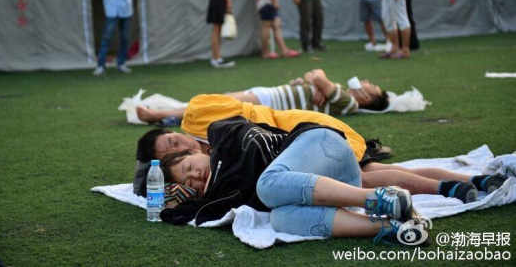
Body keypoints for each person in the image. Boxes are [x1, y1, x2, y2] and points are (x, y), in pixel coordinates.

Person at [160, 117, 507, 241]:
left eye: (189, 165)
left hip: (320, 144)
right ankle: (391, 226)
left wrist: (210, 177)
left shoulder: (223, 133)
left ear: (197, 148)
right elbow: (176, 213)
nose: (194, 176)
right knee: (279, 217)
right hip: (338, 182)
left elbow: (251, 142)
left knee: (267, 185)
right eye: (188, 182)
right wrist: (178, 195)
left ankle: (379, 200)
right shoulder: (218, 196)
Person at [134, 95, 507, 203]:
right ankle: (468, 180)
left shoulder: (205, 120)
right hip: (298, 144)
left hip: (300, 133)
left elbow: (246, 99)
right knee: (367, 175)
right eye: (169, 150)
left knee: (366, 175)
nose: (180, 143)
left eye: (172, 141)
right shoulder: (209, 159)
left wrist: (162, 112)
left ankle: (467, 181)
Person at [135, 68, 389, 126]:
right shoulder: (340, 92)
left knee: (215, 104)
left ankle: (159, 114)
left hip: (270, 103)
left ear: (367, 98)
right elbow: (311, 76)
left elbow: (317, 73)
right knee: (216, 102)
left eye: (372, 86)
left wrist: (317, 82)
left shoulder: (349, 103)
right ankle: (169, 115)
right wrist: (312, 83)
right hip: (270, 96)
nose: (367, 82)